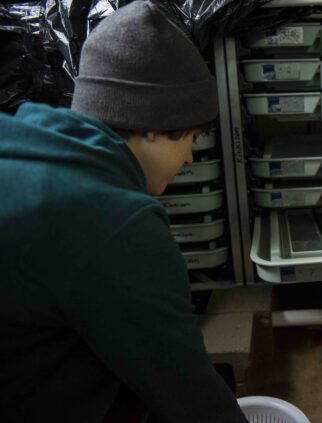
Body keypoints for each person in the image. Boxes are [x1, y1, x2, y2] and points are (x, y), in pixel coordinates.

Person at [0, 2, 247, 422]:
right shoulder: (116, 222)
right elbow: (191, 396)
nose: (189, 158)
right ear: (152, 123)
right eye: (191, 136)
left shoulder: (22, 141)